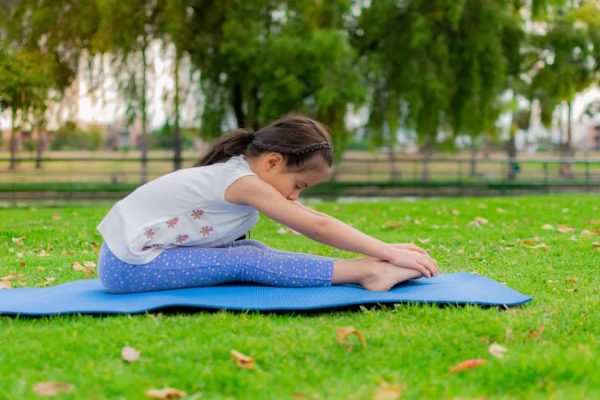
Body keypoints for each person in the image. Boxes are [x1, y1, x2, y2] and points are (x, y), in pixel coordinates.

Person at [96, 114, 439, 294]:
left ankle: (364, 266)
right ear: (273, 162)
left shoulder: (240, 174)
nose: (294, 197)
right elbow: (316, 226)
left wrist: (380, 247)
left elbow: (308, 216)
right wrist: (387, 254)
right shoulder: (242, 182)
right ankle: (365, 273)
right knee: (247, 259)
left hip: (131, 260)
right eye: (298, 185)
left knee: (252, 249)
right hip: (129, 267)